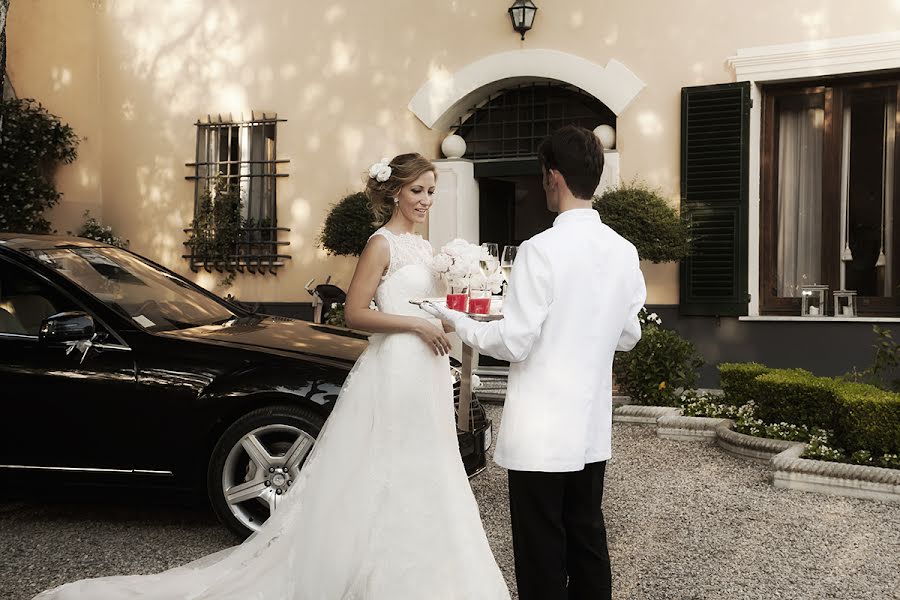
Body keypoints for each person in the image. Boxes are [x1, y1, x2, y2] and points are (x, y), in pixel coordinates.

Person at [33, 153, 511, 599]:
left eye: (431, 192)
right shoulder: (380, 244)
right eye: (418, 191)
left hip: (425, 367)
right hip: (395, 367)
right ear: (394, 194)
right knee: (386, 464)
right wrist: (415, 324)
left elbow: (426, 308)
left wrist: (457, 315)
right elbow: (356, 314)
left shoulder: (425, 249)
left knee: (427, 464)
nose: (426, 201)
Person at [424, 126, 646, 600]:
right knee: (587, 536)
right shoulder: (624, 251)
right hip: (589, 425)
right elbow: (628, 335)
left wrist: (456, 318)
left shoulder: (540, 249)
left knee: (540, 546)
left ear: (553, 177)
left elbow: (514, 342)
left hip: (543, 428)